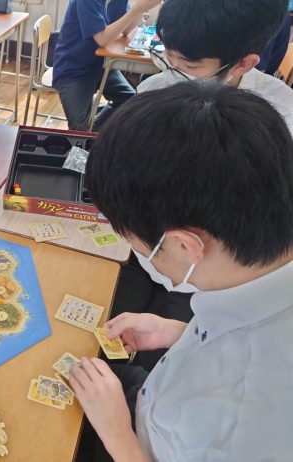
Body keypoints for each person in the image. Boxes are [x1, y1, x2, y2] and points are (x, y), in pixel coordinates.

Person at [77, 81, 293, 461]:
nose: (138, 253)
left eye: (135, 244)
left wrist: (117, 434)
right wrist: (177, 332)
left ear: (183, 246)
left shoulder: (248, 421)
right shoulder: (256, 272)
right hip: (155, 402)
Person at [139, 0, 293, 135]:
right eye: (167, 55)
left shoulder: (282, 112)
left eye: (190, 65)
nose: (172, 71)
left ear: (243, 64)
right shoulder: (152, 90)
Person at [52, 0, 161, 131]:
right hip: (73, 70)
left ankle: (97, 131)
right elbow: (102, 39)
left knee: (130, 104)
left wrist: (141, 8)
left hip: (101, 65)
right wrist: (135, 10)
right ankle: (92, 132)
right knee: (79, 131)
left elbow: (126, 30)